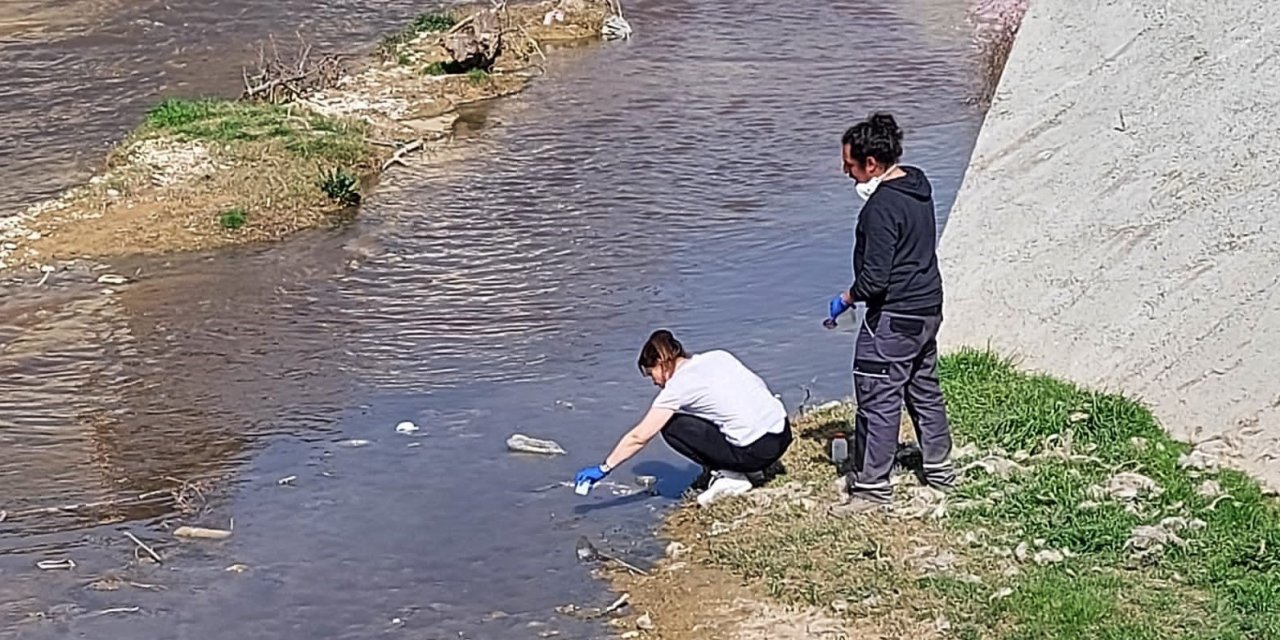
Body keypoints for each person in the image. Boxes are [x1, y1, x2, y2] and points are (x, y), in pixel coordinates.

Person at [825, 113, 956, 514]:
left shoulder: (880, 207)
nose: (845, 172)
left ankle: (872, 488)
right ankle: (940, 468)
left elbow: (876, 278)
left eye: (849, 165)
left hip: (894, 317)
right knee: (923, 389)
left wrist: (848, 297)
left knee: (877, 395)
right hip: (927, 308)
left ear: (871, 163)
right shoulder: (917, 186)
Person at [573, 330, 792, 507]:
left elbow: (639, 436)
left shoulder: (678, 387)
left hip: (756, 452)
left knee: (671, 426)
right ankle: (751, 466)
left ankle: (734, 477)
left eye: (652, 374)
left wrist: (604, 468)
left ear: (661, 362)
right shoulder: (718, 356)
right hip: (781, 434)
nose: (655, 382)